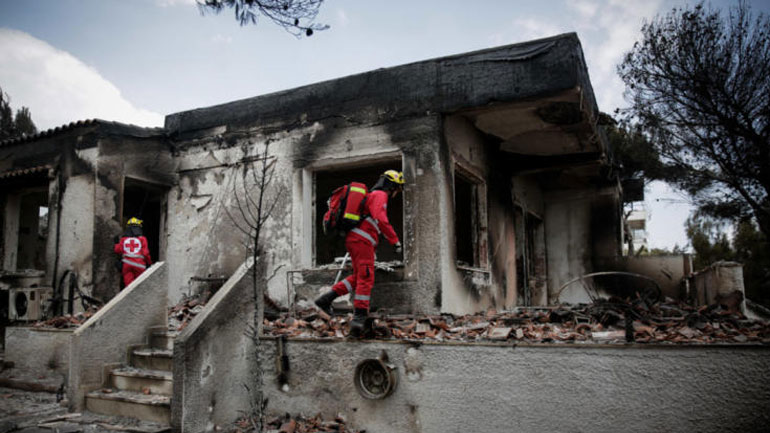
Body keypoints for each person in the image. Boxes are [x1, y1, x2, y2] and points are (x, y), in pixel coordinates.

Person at [315, 170, 404, 336]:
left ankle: (326, 299)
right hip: (362, 241)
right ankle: (359, 319)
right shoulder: (379, 195)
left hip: (357, 241)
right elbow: (381, 218)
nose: (396, 193)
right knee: (367, 277)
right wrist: (395, 241)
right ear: (392, 185)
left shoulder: (372, 195)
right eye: (397, 189)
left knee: (358, 277)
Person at [114, 217, 152, 287]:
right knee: (139, 286)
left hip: (126, 265)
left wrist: (116, 243)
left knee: (128, 287)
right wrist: (149, 263)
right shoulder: (142, 239)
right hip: (139, 265)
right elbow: (146, 253)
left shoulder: (123, 239)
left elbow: (117, 250)